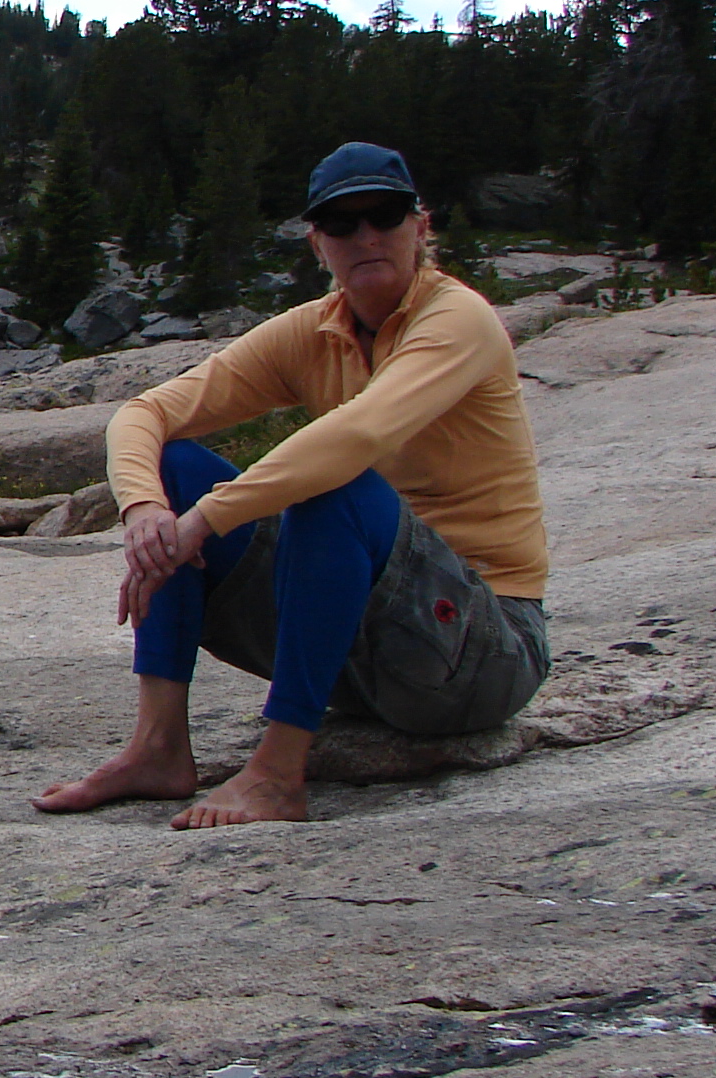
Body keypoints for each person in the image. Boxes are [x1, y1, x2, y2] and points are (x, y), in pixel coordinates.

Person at [35, 141, 550, 828]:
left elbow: (357, 436)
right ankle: (159, 748)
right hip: (361, 654)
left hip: (480, 652)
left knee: (332, 483)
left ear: (421, 227)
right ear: (317, 242)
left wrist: (206, 521)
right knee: (177, 468)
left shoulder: (457, 320)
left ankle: (278, 774)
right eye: (341, 223)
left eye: (386, 216)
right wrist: (146, 511)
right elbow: (145, 412)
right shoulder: (315, 332)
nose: (365, 236)